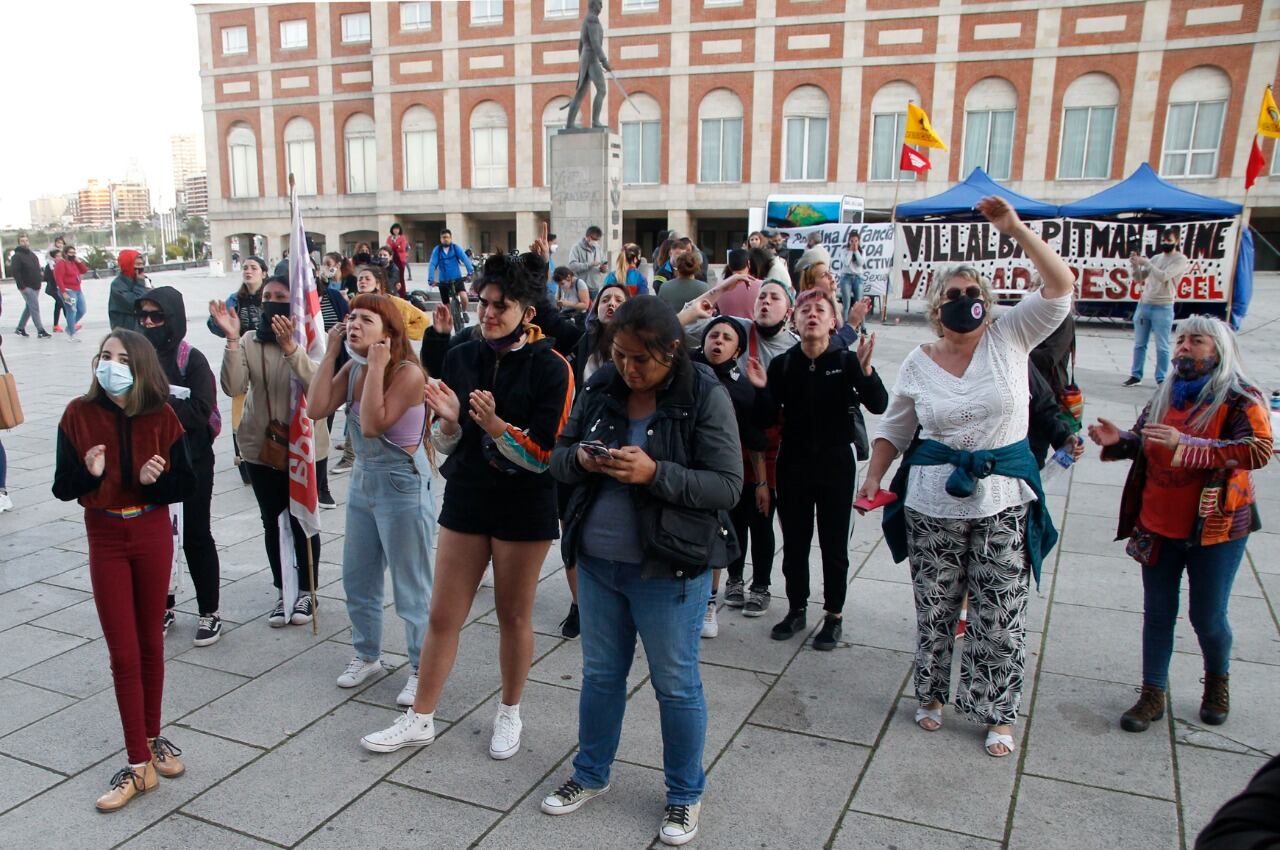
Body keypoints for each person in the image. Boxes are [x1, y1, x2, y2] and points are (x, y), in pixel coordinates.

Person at [859, 195, 1075, 759]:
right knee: (935, 604)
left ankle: (997, 709)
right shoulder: (917, 361)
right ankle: (931, 694)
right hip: (931, 502)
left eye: (972, 293)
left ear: (987, 301)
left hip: (1002, 497)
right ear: (937, 307)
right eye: (952, 295)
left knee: (999, 609)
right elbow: (895, 428)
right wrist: (873, 476)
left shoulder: (1011, 337)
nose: (963, 302)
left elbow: (1059, 285)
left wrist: (1016, 230)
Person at [539, 296, 742, 847]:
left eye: (640, 360)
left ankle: (683, 795)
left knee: (676, 685)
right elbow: (556, 457)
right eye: (620, 355)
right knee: (602, 676)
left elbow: (727, 486)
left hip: (669, 566)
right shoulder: (602, 384)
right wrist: (580, 459)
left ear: (671, 350)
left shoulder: (704, 393)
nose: (629, 368)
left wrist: (657, 473)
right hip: (600, 563)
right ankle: (590, 773)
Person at [360, 252, 573, 763]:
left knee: (513, 615)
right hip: (469, 494)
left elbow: (546, 456)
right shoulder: (461, 355)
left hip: (525, 504)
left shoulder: (553, 366)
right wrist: (452, 424)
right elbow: (444, 440)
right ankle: (421, 716)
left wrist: (498, 428)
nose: (490, 313)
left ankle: (509, 710)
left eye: (502, 305)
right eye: (485, 303)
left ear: (528, 309)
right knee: (442, 612)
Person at [1088, 315, 1271, 733]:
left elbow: (1259, 451)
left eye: (1197, 341)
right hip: (1156, 523)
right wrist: (1122, 442)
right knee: (1157, 613)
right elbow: (1145, 439)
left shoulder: (1242, 397)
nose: (1184, 347)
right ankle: (1152, 693)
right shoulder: (1166, 392)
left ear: (1219, 350)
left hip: (1216, 528)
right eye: (1181, 339)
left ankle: (1217, 683)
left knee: (1207, 615)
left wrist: (1188, 446)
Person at [53, 329, 196, 811]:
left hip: (151, 531)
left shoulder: (161, 415)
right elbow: (61, 486)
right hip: (106, 533)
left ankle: (153, 739)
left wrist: (154, 482)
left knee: (151, 641)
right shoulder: (78, 413)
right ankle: (138, 766)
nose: (108, 363)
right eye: (103, 355)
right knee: (123, 651)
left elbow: (186, 482)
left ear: (139, 369)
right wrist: (88, 474)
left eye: (119, 358)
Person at [309, 293, 435, 707]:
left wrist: (378, 367)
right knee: (357, 576)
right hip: (365, 481)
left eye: (365, 318)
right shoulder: (354, 366)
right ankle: (367, 654)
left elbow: (375, 425)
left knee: (411, 584)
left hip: (401, 485)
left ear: (389, 332)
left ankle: (422, 668)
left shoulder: (406, 373)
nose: (353, 324)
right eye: (351, 317)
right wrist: (330, 352)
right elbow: (315, 407)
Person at [747, 289, 885, 651]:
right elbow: (763, 420)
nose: (812, 315)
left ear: (832, 321)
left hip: (837, 462)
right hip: (794, 462)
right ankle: (796, 608)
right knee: (794, 543)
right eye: (805, 309)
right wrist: (762, 390)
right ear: (794, 319)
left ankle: (834, 615)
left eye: (820, 310)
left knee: (834, 544)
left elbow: (879, 404)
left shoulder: (846, 359)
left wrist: (867, 372)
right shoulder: (784, 364)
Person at [211, 276, 325, 626]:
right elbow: (233, 386)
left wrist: (291, 348)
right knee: (272, 519)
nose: (272, 302)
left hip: (302, 444)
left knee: (301, 517)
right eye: (268, 297)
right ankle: (283, 590)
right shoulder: (249, 339)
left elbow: (319, 387)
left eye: (281, 297)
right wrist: (231, 339)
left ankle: (307, 592)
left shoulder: (311, 337)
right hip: (259, 443)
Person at [135, 288, 224, 646]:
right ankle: (163, 605)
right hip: (150, 462)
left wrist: (155, 406)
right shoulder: (137, 356)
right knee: (158, 538)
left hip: (191, 461)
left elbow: (201, 411)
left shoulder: (192, 360)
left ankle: (210, 611)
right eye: (143, 316)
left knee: (195, 535)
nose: (149, 323)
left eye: (157, 316)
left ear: (173, 318)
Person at [557, 281, 631, 638]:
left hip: (622, 450)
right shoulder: (580, 343)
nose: (612, 304)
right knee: (569, 525)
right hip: (579, 445)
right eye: (606, 299)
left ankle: (615, 599)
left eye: (620, 299)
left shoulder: (638, 348)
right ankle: (579, 604)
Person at [694, 316, 768, 638]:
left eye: (726, 337)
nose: (718, 342)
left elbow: (755, 437)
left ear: (737, 349)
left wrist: (763, 483)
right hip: (683, 465)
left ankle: (710, 602)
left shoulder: (741, 386)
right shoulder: (686, 368)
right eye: (713, 335)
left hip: (719, 473)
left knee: (717, 535)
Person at [209, 257, 269, 485]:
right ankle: (244, 459)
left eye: (253, 268)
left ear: (264, 272)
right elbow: (215, 325)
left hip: (266, 355)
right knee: (239, 407)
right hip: (241, 355)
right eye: (245, 267)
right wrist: (218, 320)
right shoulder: (235, 299)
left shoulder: (271, 293)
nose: (248, 271)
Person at [1125, 227, 1188, 387]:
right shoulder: (1156, 258)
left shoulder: (1180, 259)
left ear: (1177, 241)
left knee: (1162, 345)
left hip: (1163, 305)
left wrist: (1146, 262)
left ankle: (1161, 377)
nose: (1165, 243)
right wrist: (1135, 265)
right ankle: (1136, 375)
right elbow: (1139, 278)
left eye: (1169, 241)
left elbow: (1164, 276)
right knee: (1139, 343)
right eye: (1163, 240)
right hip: (1144, 303)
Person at [564, 0, 611, 129]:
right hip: (592, 58)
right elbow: (595, 43)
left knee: (580, 93)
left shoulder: (587, 20)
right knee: (601, 89)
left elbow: (580, 45)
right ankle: (595, 121)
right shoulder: (592, 20)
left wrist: (583, 60)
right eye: (599, 3)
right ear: (593, 4)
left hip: (587, 57)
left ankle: (569, 123)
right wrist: (604, 60)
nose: (602, 6)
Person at [354, 264, 430, 341]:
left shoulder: (394, 302)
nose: (362, 281)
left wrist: (401, 331)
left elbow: (423, 319)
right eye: (360, 279)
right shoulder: (355, 303)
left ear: (378, 284)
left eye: (367, 279)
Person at [428, 229, 475, 328]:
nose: (446, 239)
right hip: (443, 281)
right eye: (443, 237)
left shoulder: (455, 248)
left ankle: (464, 311)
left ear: (451, 238)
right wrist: (431, 279)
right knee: (447, 306)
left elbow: (465, 259)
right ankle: (453, 323)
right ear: (440, 239)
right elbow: (432, 264)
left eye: (447, 237)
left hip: (457, 279)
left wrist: (470, 272)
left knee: (464, 297)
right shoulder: (437, 250)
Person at [11, 234, 50, 338]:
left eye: (26, 240)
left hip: (36, 285)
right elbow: (16, 272)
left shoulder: (32, 255)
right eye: (22, 241)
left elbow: (37, 268)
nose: (25, 243)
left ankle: (20, 328)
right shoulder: (17, 256)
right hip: (26, 287)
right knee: (35, 308)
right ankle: (40, 330)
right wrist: (21, 287)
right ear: (19, 243)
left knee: (29, 307)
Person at [108, 250, 150, 331]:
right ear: (128, 265)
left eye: (142, 264)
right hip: (125, 330)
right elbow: (135, 303)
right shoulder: (117, 285)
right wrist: (140, 284)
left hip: (142, 328)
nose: (141, 268)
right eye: (137, 264)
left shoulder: (142, 279)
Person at [55, 244, 90, 341]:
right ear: (65, 253)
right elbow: (58, 278)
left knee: (82, 310)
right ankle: (72, 334)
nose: (72, 255)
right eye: (70, 253)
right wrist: (63, 292)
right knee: (71, 310)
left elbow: (84, 270)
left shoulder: (73, 262)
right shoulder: (61, 263)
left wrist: (79, 262)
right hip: (68, 290)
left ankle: (70, 327)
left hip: (77, 289)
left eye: (74, 253)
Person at [656, 250, 707, 315]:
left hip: (671, 324)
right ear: (697, 267)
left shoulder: (665, 287)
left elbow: (660, 311)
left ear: (677, 266)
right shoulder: (704, 288)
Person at [714, 249, 759, 319]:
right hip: (752, 329)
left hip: (726, 328)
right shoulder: (762, 286)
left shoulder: (719, 287)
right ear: (749, 263)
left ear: (729, 267)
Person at [568, 225, 609, 295]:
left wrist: (604, 269)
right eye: (595, 239)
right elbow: (572, 266)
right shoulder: (576, 248)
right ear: (588, 237)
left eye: (598, 240)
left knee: (594, 306)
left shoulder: (598, 248)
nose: (596, 242)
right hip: (581, 287)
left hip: (595, 287)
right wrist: (590, 264)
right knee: (583, 306)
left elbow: (603, 263)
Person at [837, 231, 865, 317]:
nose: (854, 243)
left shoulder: (862, 251)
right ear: (849, 241)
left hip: (858, 278)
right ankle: (845, 324)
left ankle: (862, 326)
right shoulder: (844, 251)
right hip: (846, 277)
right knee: (847, 304)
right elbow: (846, 263)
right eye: (852, 241)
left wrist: (856, 251)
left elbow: (861, 263)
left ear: (859, 241)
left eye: (856, 241)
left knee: (859, 303)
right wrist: (850, 251)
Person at [44, 247, 65, 333]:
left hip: (59, 289)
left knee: (58, 306)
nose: (59, 258)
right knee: (63, 304)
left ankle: (55, 325)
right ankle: (72, 324)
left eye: (60, 256)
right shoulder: (50, 266)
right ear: (53, 257)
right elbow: (46, 278)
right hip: (53, 289)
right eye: (57, 256)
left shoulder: (61, 264)